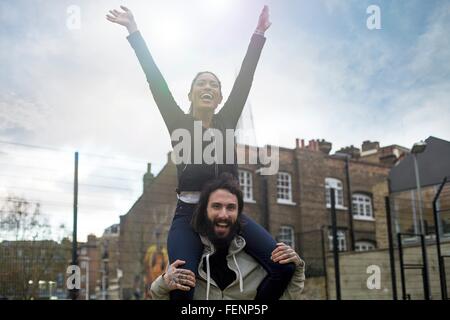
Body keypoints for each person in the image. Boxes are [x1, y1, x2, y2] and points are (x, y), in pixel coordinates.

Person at [106, 5, 295, 300]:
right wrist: (134, 31)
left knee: (284, 267)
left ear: (219, 97)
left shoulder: (227, 120)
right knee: (181, 282)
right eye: (201, 83)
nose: (208, 87)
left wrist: (258, 33)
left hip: (227, 213)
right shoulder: (178, 122)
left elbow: (246, 77)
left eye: (214, 85)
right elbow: (154, 79)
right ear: (191, 93)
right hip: (189, 216)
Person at [150, 173, 305, 300]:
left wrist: (297, 269)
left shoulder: (258, 264)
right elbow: (162, 296)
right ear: (204, 211)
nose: (223, 215)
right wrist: (163, 283)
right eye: (216, 206)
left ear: (239, 214)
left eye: (231, 207)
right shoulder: (185, 258)